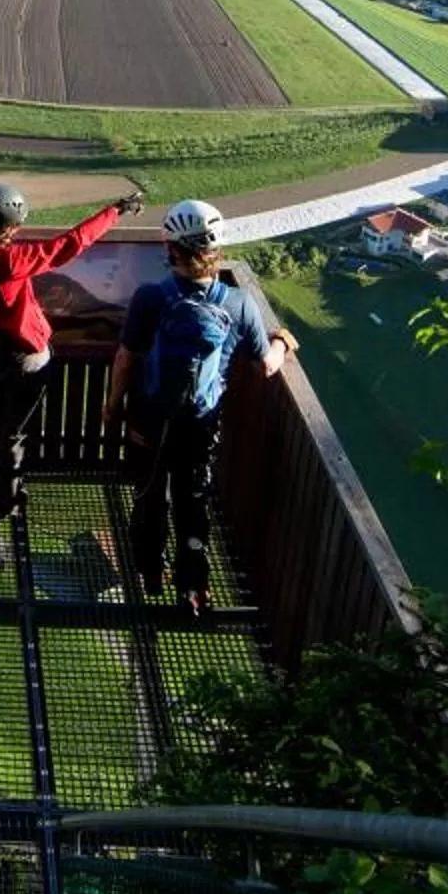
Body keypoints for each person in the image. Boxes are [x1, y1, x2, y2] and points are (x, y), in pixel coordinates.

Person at [107, 198, 293, 617]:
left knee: (150, 491)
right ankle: (192, 587)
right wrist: (282, 341)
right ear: (216, 250)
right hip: (200, 422)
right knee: (192, 498)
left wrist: (112, 405)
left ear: (170, 248)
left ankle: (150, 571)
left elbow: (125, 358)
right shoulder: (238, 303)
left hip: (150, 417)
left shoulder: (150, 297)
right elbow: (265, 365)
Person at [0, 181, 145, 528]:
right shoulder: (10, 260)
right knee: (12, 433)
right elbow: (69, 244)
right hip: (25, 357)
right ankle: (1, 505)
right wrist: (116, 211)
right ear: (10, 228)